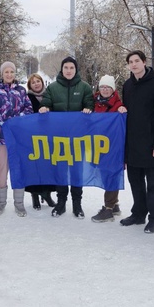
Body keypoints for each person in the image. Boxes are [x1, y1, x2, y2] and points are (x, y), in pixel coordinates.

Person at [119, 50, 154, 234]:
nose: (133, 65)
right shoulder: (127, 86)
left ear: (144, 62)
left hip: (151, 146)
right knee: (136, 182)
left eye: (136, 61)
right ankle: (139, 213)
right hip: (132, 145)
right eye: (130, 62)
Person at [39, 56, 94, 218]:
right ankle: (61, 203)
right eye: (66, 68)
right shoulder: (53, 88)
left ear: (76, 70)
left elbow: (90, 104)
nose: (69, 71)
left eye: (71, 68)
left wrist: (88, 109)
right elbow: (46, 103)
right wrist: (44, 108)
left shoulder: (84, 87)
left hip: (77, 139)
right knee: (60, 171)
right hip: (59, 139)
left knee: (76, 172)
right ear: (61, 70)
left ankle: (77, 205)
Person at [0, 61, 33, 217]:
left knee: (18, 169)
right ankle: (1, 203)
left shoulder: (21, 91)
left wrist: (18, 124)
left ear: (14, 74)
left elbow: (28, 109)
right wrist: (1, 128)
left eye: (11, 72)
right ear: (2, 73)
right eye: (6, 72)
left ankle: (19, 204)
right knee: (2, 169)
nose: (9, 74)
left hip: (18, 139)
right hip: (0, 139)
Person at [91, 75, 127, 223]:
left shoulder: (118, 105)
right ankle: (115, 204)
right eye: (102, 87)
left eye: (108, 87)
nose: (105, 90)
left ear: (113, 89)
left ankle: (108, 209)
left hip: (113, 146)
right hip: (99, 145)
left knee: (111, 174)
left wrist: (122, 113)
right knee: (105, 174)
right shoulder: (94, 102)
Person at [25, 73, 56, 210]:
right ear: (30, 85)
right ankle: (35, 195)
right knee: (34, 166)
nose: (36, 84)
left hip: (49, 137)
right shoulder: (27, 97)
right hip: (32, 137)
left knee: (48, 166)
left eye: (38, 81)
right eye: (33, 82)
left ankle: (47, 194)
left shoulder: (49, 96)